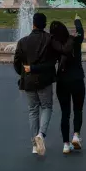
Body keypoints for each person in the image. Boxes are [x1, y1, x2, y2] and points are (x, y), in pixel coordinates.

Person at [13, 12, 70, 156]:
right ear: (45, 24)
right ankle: (41, 134)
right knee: (47, 106)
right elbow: (57, 56)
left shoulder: (22, 41)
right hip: (45, 80)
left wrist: (24, 73)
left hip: (28, 80)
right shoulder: (49, 39)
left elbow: (16, 63)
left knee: (33, 110)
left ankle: (34, 144)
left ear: (33, 24)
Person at [49, 17, 85, 154]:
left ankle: (65, 144)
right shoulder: (75, 41)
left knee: (65, 113)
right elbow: (81, 31)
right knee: (78, 109)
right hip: (77, 78)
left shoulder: (55, 45)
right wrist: (76, 20)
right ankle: (76, 135)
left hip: (62, 80)